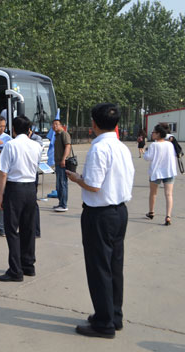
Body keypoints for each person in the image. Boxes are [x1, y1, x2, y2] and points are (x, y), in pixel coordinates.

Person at [66, 103, 134, 339]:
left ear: (93, 123)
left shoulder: (99, 148)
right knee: (114, 267)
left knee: (99, 268)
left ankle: (104, 323)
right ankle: (113, 315)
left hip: (100, 214)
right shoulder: (122, 147)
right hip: (119, 211)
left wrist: (77, 178)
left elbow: (93, 185)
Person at [0, 115, 42, 282]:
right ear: (29, 130)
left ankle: (15, 270)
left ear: (13, 130)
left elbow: (3, 172)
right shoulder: (36, 146)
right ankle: (28, 265)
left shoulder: (11, 145)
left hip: (15, 188)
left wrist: (1, 195)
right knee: (28, 228)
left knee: (12, 230)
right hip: (30, 188)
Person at [143, 124, 177, 226]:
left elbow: (147, 157)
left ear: (158, 134)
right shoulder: (170, 144)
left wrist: (145, 151)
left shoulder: (154, 145)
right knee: (169, 194)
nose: (152, 133)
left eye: (153, 132)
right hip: (169, 171)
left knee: (153, 193)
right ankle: (168, 216)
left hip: (156, 172)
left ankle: (151, 212)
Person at [52, 119, 71, 212]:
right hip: (58, 163)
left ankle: (64, 205)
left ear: (61, 125)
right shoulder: (56, 136)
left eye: (56, 124)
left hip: (62, 163)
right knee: (59, 185)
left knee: (63, 184)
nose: (55, 126)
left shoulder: (64, 134)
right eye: (53, 124)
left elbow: (68, 146)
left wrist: (63, 159)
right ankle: (61, 203)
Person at [29, 128, 43, 238]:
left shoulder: (37, 139)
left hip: (32, 174)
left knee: (33, 203)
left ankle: (36, 231)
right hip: (24, 176)